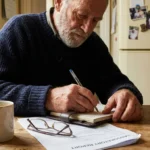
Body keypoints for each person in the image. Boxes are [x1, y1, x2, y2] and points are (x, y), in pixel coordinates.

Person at [0, 0, 143, 122]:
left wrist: (124, 92)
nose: (87, 29)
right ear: (58, 3)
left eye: (95, 20)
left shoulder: (93, 44)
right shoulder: (19, 30)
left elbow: (115, 81)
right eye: (81, 16)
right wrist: (48, 98)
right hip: (22, 140)